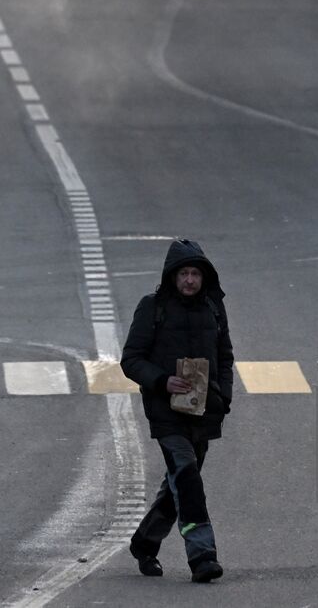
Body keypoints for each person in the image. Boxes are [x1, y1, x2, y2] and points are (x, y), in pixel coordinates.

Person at [121, 238, 234, 584]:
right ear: (172, 276)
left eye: (195, 274)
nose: (189, 280)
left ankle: (144, 542)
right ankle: (202, 556)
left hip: (204, 412)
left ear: (204, 277)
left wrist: (223, 397)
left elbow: (225, 356)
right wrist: (162, 381)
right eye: (183, 273)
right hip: (166, 412)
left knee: (178, 486)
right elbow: (131, 360)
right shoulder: (152, 308)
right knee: (186, 477)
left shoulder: (213, 309)